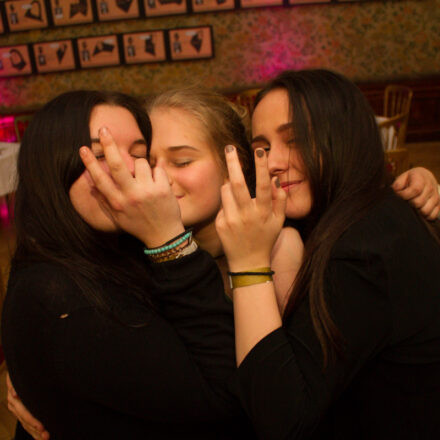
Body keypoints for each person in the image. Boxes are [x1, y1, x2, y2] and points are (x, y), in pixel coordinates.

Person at [7, 82, 440, 439]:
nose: (151, 178)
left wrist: (408, 183)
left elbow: (273, 403)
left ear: (240, 164)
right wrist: (36, 375)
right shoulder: (126, 252)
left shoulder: (293, 240)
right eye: (146, 159)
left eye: (181, 160)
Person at [1, 90, 255, 439]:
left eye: (138, 155)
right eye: (102, 154)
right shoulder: (58, 292)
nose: (130, 172)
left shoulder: (121, 253)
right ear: (51, 163)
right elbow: (224, 397)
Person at [215, 69, 440, 439]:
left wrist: (248, 264)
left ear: (343, 136)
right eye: (263, 148)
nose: (272, 162)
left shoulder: (363, 249)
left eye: (296, 139)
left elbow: (280, 419)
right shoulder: (354, 211)